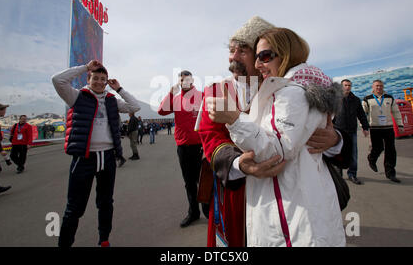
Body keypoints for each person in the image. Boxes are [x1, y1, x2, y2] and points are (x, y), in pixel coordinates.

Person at [198, 16, 348, 247]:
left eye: (243, 50)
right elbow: (210, 139)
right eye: (231, 50)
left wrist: (335, 140)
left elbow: (319, 130)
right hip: (237, 192)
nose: (233, 57)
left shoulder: (292, 86)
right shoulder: (217, 90)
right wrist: (241, 164)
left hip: (296, 198)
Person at [52, 60, 140, 247]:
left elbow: (134, 108)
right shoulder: (76, 97)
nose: (100, 82)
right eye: (96, 78)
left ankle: (103, 240)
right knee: (74, 208)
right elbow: (57, 80)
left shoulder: (111, 100)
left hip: (107, 157)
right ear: (88, 78)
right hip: (84, 158)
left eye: (103, 79)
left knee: (106, 203)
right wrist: (85, 67)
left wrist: (119, 89)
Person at [158, 70, 208, 227]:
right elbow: (162, 110)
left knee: (204, 180)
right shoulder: (176, 98)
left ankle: (209, 212)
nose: (185, 82)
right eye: (181, 80)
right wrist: (171, 93)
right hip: (183, 146)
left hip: (201, 146)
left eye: (187, 79)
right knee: (189, 182)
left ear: (192, 80)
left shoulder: (202, 96)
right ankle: (193, 212)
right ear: (179, 82)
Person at [362, 80, 403, 183]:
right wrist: (364, 126)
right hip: (375, 128)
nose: (379, 88)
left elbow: (396, 111)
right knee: (378, 147)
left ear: (383, 86)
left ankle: (390, 173)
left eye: (380, 86)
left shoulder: (389, 98)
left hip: (388, 127)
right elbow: (363, 114)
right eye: (377, 86)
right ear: (373, 87)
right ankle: (372, 158)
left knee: (391, 150)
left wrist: (400, 124)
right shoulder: (367, 99)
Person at [333, 79, 370, 184]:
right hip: (338, 131)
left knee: (353, 153)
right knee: (338, 152)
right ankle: (338, 174)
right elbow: (330, 115)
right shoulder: (336, 99)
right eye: (345, 85)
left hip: (351, 131)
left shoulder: (356, 100)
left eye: (349, 85)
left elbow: (361, 115)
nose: (347, 87)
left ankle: (352, 174)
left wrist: (365, 127)